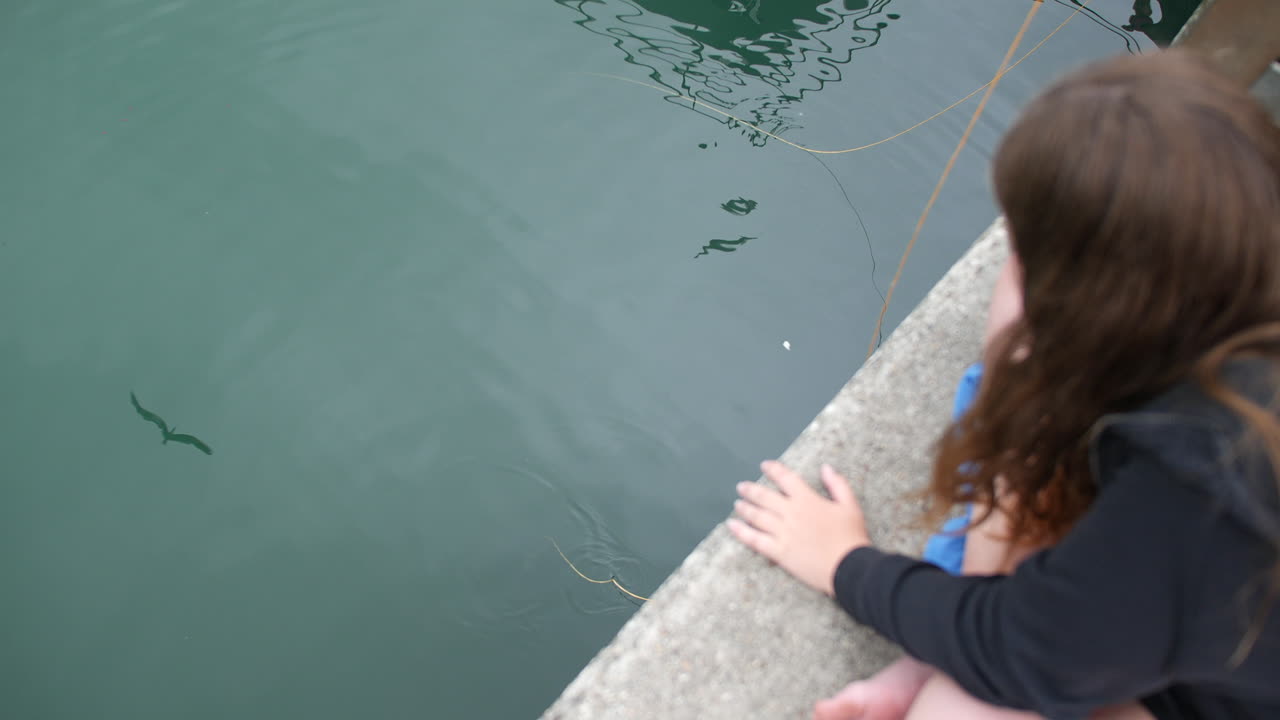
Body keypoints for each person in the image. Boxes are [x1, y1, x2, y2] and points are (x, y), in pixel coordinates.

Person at [728, 49, 1280, 720]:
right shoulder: (1225, 365)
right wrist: (920, 662)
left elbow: (1021, 648)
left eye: (1021, 255)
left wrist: (846, 564)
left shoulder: (1202, 482)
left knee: (959, 713)